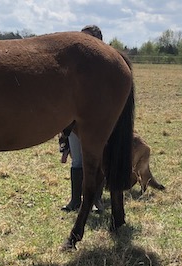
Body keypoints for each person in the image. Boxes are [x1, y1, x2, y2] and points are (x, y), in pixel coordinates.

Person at [60, 24, 104, 213]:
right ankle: (75, 200)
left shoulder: (106, 66)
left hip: (97, 122)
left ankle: (96, 200)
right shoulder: (73, 68)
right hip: (76, 122)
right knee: (77, 161)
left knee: (96, 160)